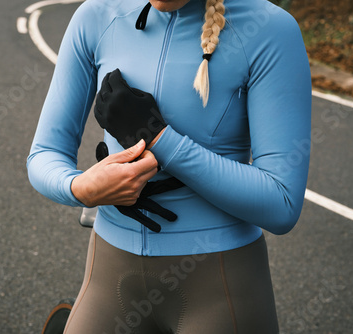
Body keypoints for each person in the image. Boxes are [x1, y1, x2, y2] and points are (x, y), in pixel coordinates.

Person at [27, 0, 312, 332]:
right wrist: (80, 188)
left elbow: (282, 204)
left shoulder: (269, 29)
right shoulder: (97, 15)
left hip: (219, 285)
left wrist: (160, 139)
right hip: (109, 276)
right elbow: (45, 153)